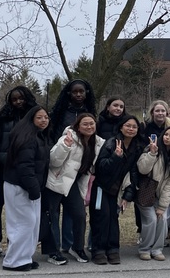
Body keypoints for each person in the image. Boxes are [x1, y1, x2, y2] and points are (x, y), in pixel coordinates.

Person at [0, 86, 37, 257]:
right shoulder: (1, 117)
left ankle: (17, 242)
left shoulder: (35, 117)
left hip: (26, 169)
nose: (18, 102)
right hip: (2, 167)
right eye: (14, 99)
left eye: (21, 98)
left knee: (22, 207)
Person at [42, 113, 103, 265]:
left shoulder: (98, 143)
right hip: (55, 182)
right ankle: (53, 251)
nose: (89, 127)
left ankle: (77, 247)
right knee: (51, 217)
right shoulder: (67, 138)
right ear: (78, 126)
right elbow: (53, 162)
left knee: (80, 215)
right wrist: (65, 146)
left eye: (92, 124)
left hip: (73, 184)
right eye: (85, 124)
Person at [47, 79, 97, 253]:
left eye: (81, 91)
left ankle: (68, 245)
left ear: (86, 93)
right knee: (53, 212)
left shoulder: (90, 113)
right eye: (74, 92)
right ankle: (55, 247)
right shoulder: (60, 112)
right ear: (69, 93)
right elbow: (52, 136)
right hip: (59, 166)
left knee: (73, 211)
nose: (78, 94)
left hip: (79, 169)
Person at [90, 115, 146, 265]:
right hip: (102, 187)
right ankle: (98, 250)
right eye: (128, 126)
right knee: (102, 218)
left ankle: (113, 249)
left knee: (113, 220)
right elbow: (100, 168)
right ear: (121, 127)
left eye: (134, 127)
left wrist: (128, 195)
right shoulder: (111, 143)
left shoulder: (137, 147)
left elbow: (134, 173)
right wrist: (116, 156)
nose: (131, 129)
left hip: (117, 190)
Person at [1, 105, 51, 272]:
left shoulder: (38, 136)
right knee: (23, 223)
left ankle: (25, 257)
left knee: (32, 223)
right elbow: (25, 166)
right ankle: (13, 261)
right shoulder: (27, 137)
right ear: (31, 119)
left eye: (46, 117)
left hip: (30, 187)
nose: (44, 120)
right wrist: (33, 188)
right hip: (19, 186)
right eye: (39, 117)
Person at [136, 126, 170, 261]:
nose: (167, 137)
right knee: (151, 219)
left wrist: (162, 206)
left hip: (160, 195)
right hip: (145, 192)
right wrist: (152, 154)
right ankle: (145, 249)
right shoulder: (152, 149)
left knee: (162, 219)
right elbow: (142, 170)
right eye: (166, 134)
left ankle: (157, 249)